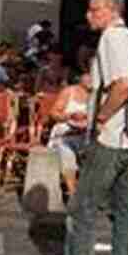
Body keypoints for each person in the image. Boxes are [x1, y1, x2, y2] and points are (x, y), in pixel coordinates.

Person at [65, 0, 128, 255]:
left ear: (112, 10)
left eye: (94, 9)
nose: (88, 15)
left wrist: (99, 118)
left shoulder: (113, 37)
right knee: (124, 213)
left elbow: (123, 85)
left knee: (81, 212)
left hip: (112, 137)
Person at [48, 67, 94, 197]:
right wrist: (69, 116)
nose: (91, 79)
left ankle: (89, 192)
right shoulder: (69, 91)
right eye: (88, 75)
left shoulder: (96, 94)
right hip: (65, 132)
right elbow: (53, 113)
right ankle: (73, 194)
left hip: (86, 133)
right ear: (80, 78)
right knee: (66, 153)